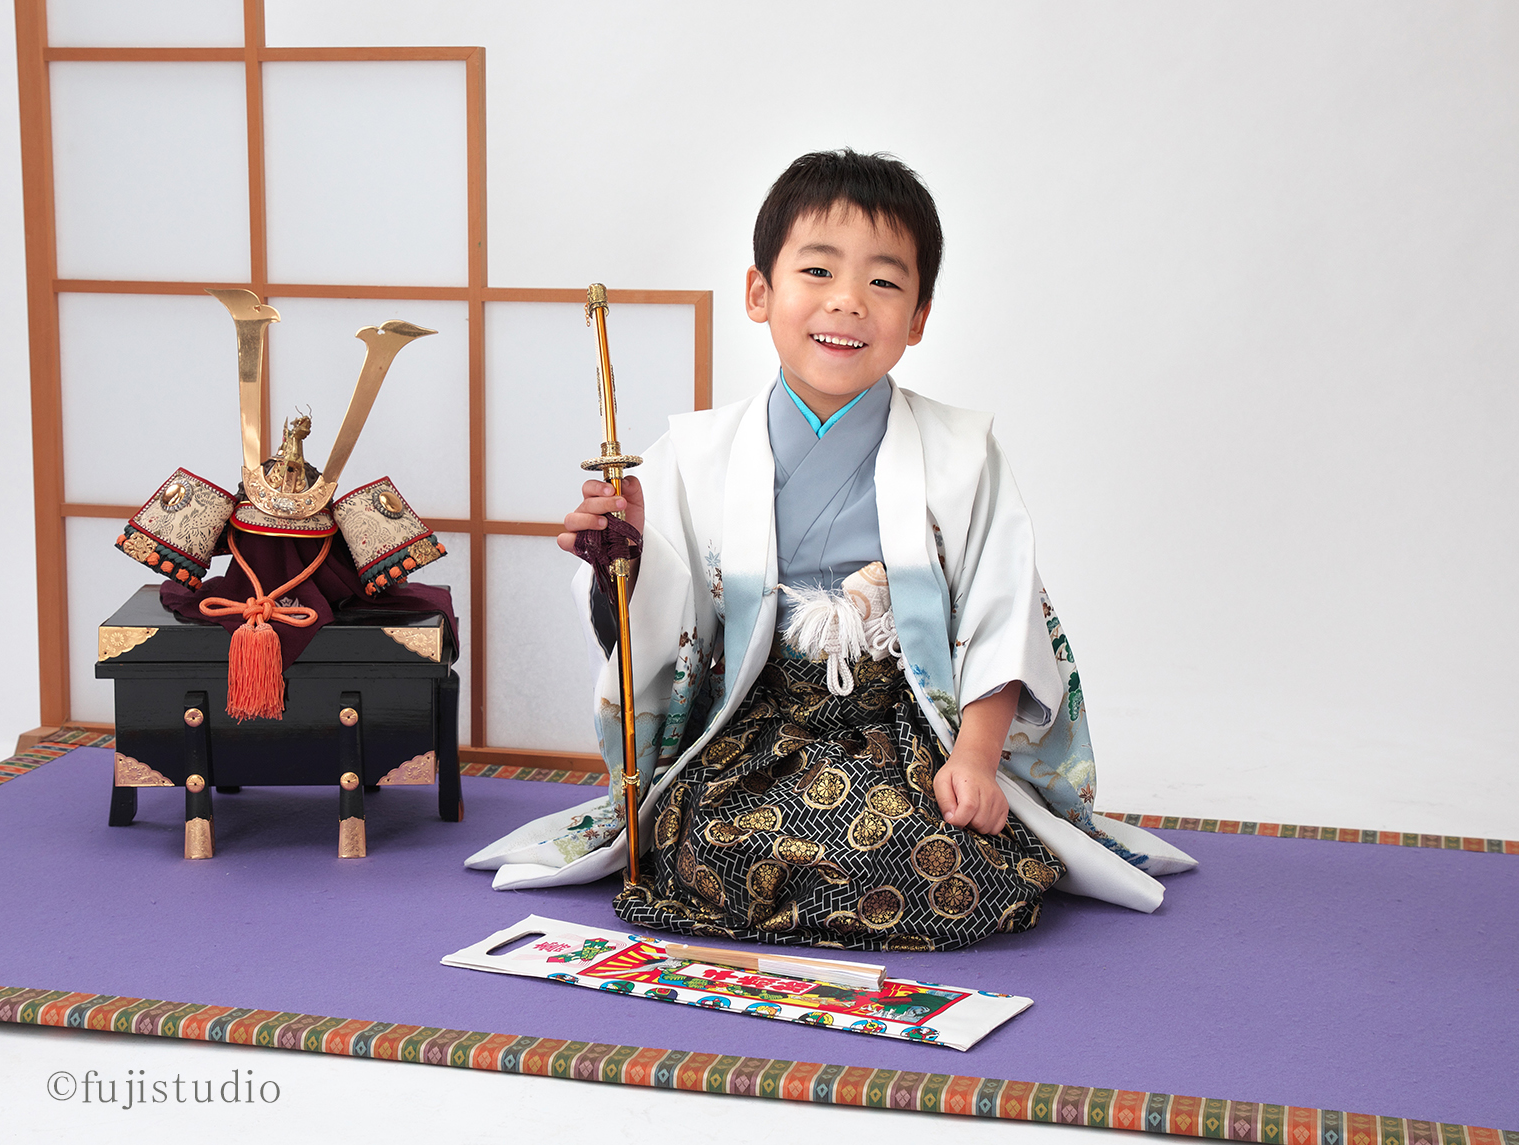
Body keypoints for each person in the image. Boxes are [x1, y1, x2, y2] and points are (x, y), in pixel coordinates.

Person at [466, 150, 1192, 947]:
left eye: (884, 282)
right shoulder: (693, 455)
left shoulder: (960, 454)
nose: (848, 301)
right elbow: (657, 635)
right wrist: (622, 561)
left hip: (906, 730)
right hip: (754, 731)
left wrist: (977, 764)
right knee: (708, 840)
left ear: (918, 317)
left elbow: (1002, 616)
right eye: (817, 270)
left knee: (936, 851)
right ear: (760, 292)